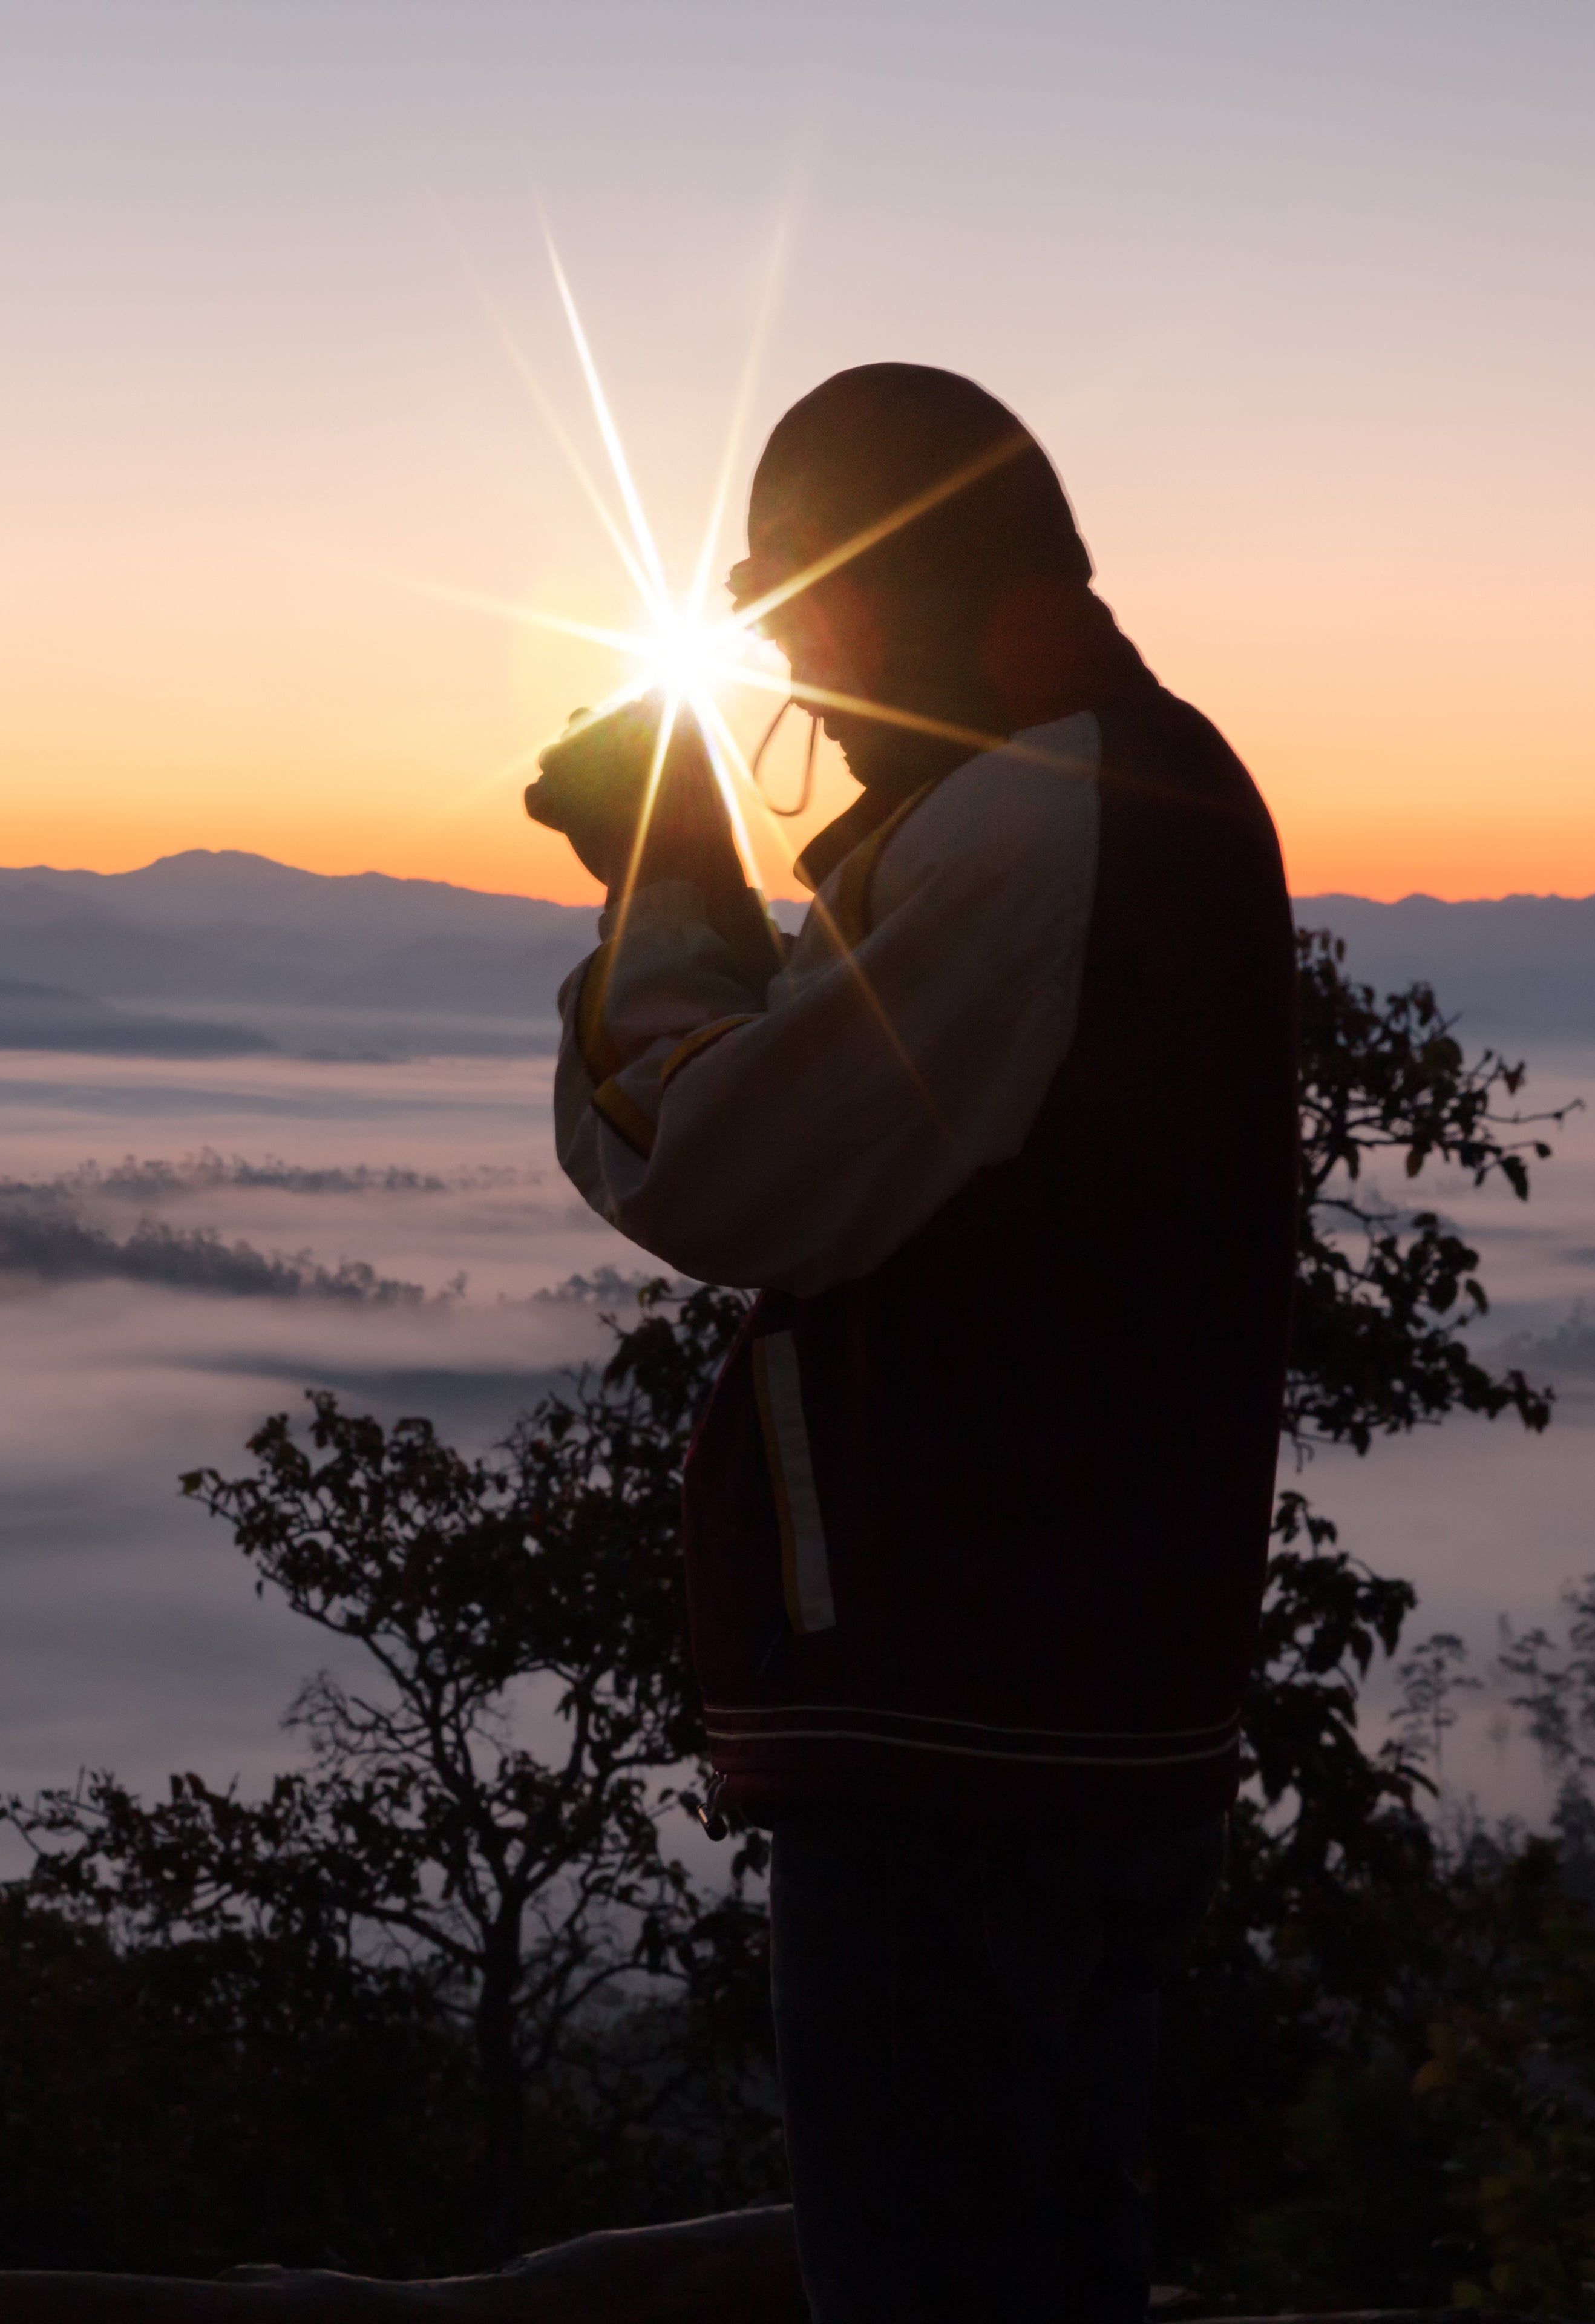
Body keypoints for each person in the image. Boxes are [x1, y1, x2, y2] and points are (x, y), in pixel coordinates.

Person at [524, 364, 1297, 2322]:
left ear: (881, 592)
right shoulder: (1093, 790)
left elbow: (720, 1163)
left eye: (796, 601)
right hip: (1074, 1724)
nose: (787, 652)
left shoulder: (1050, 821)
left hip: (976, 1745)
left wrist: (663, 877)